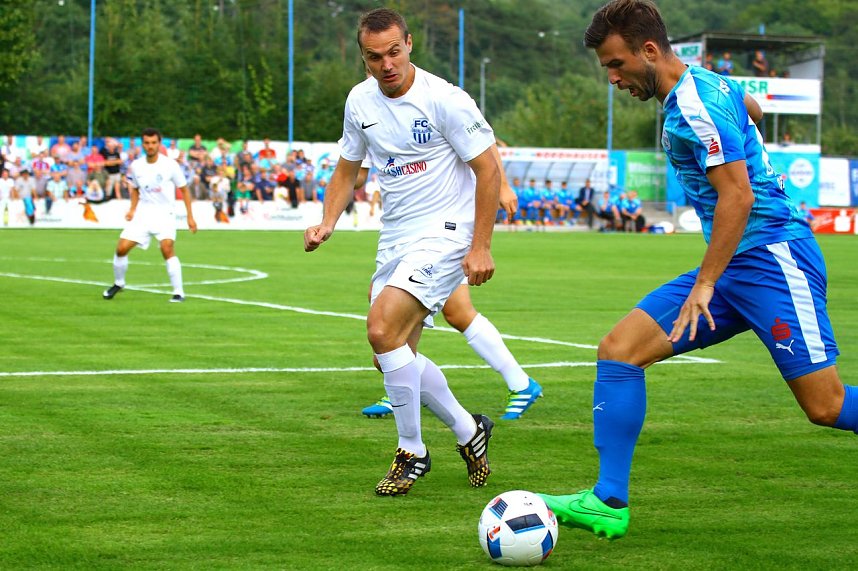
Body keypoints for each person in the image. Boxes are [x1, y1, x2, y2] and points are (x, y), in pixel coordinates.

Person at [539, 0, 857, 541]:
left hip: (775, 260)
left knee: (825, 407)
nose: (613, 79)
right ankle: (608, 500)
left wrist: (705, 283)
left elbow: (738, 195)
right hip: (736, 264)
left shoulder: (694, 106)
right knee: (619, 350)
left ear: (649, 50)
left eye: (616, 65)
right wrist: (745, 133)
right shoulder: (705, 85)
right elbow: (751, 106)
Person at [304, 8, 499, 496]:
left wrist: (480, 246)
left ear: (409, 44)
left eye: (394, 51)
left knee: (380, 329)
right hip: (394, 237)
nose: (387, 63)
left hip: (445, 232)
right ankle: (467, 430)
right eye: (375, 56)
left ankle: (412, 451)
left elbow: (489, 169)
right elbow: (347, 168)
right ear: (364, 57)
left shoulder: (445, 99)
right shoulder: (359, 101)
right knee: (392, 356)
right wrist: (327, 221)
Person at [353, 164, 544, 421]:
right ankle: (402, 380)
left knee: (440, 311)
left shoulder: (437, 125)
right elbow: (357, 176)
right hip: (408, 230)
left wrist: (504, 186)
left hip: (444, 229)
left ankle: (517, 384)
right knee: (448, 312)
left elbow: (484, 145)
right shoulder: (365, 124)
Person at [103, 128, 197, 303]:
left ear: (159, 144)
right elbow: (135, 189)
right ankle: (119, 283)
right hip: (143, 214)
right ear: (143, 144)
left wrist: (190, 217)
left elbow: (184, 190)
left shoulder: (170, 165)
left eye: (154, 143)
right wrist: (132, 209)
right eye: (147, 143)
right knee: (121, 249)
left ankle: (179, 292)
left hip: (165, 215)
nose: (150, 146)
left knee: (167, 248)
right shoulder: (136, 165)